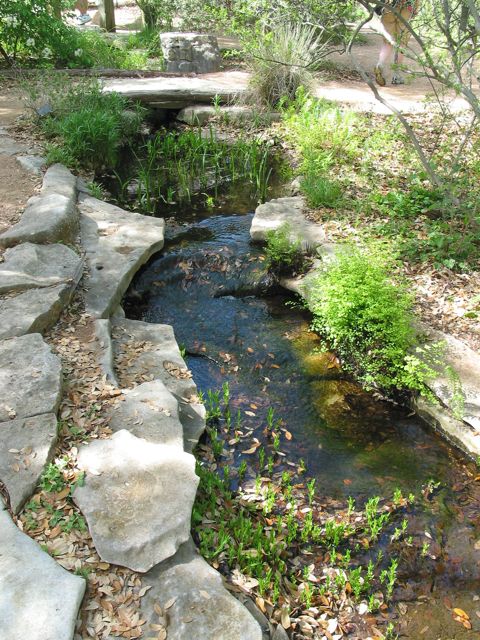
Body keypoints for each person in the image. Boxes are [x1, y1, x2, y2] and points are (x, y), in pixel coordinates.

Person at [374, 0, 420, 86]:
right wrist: (416, 8)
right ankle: (396, 75)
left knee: (387, 42)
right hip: (406, 8)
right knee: (401, 43)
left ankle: (379, 65)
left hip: (388, 6)